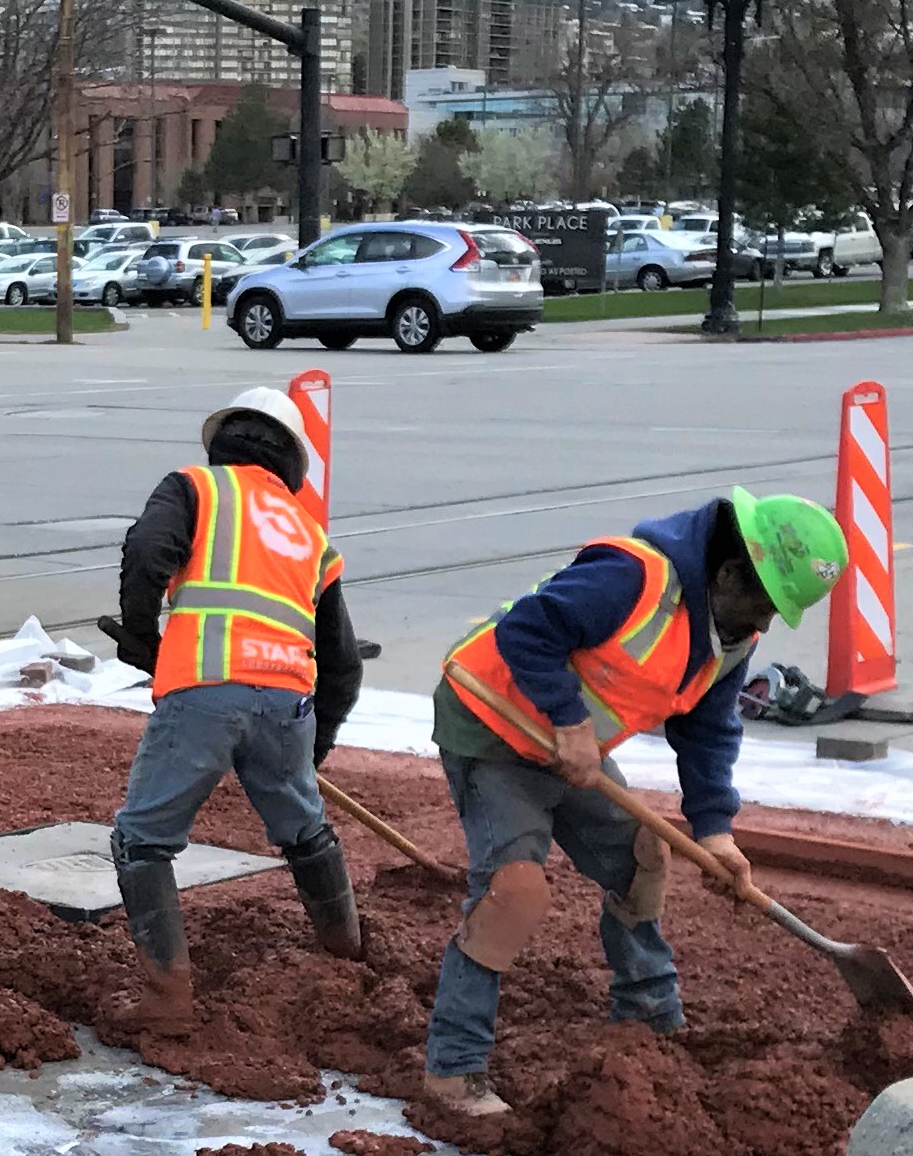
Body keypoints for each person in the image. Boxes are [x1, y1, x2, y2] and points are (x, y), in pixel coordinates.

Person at [423, 488, 850, 1119]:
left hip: (573, 749)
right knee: (513, 891)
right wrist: (568, 721)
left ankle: (649, 1021)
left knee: (644, 859)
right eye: (761, 605)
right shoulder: (632, 576)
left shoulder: (731, 631)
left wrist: (715, 830)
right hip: (494, 726)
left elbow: (708, 729)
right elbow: (527, 629)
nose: (760, 625)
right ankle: (454, 1071)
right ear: (731, 573)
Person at [107, 386, 368, 1021]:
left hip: (206, 689)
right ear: (292, 462)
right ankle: (346, 959)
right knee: (305, 829)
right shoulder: (309, 535)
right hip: (288, 702)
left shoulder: (197, 487)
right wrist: (317, 745)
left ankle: (166, 999)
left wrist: (143, 637)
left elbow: (147, 555)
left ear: (225, 442)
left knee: (142, 841)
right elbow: (344, 663)